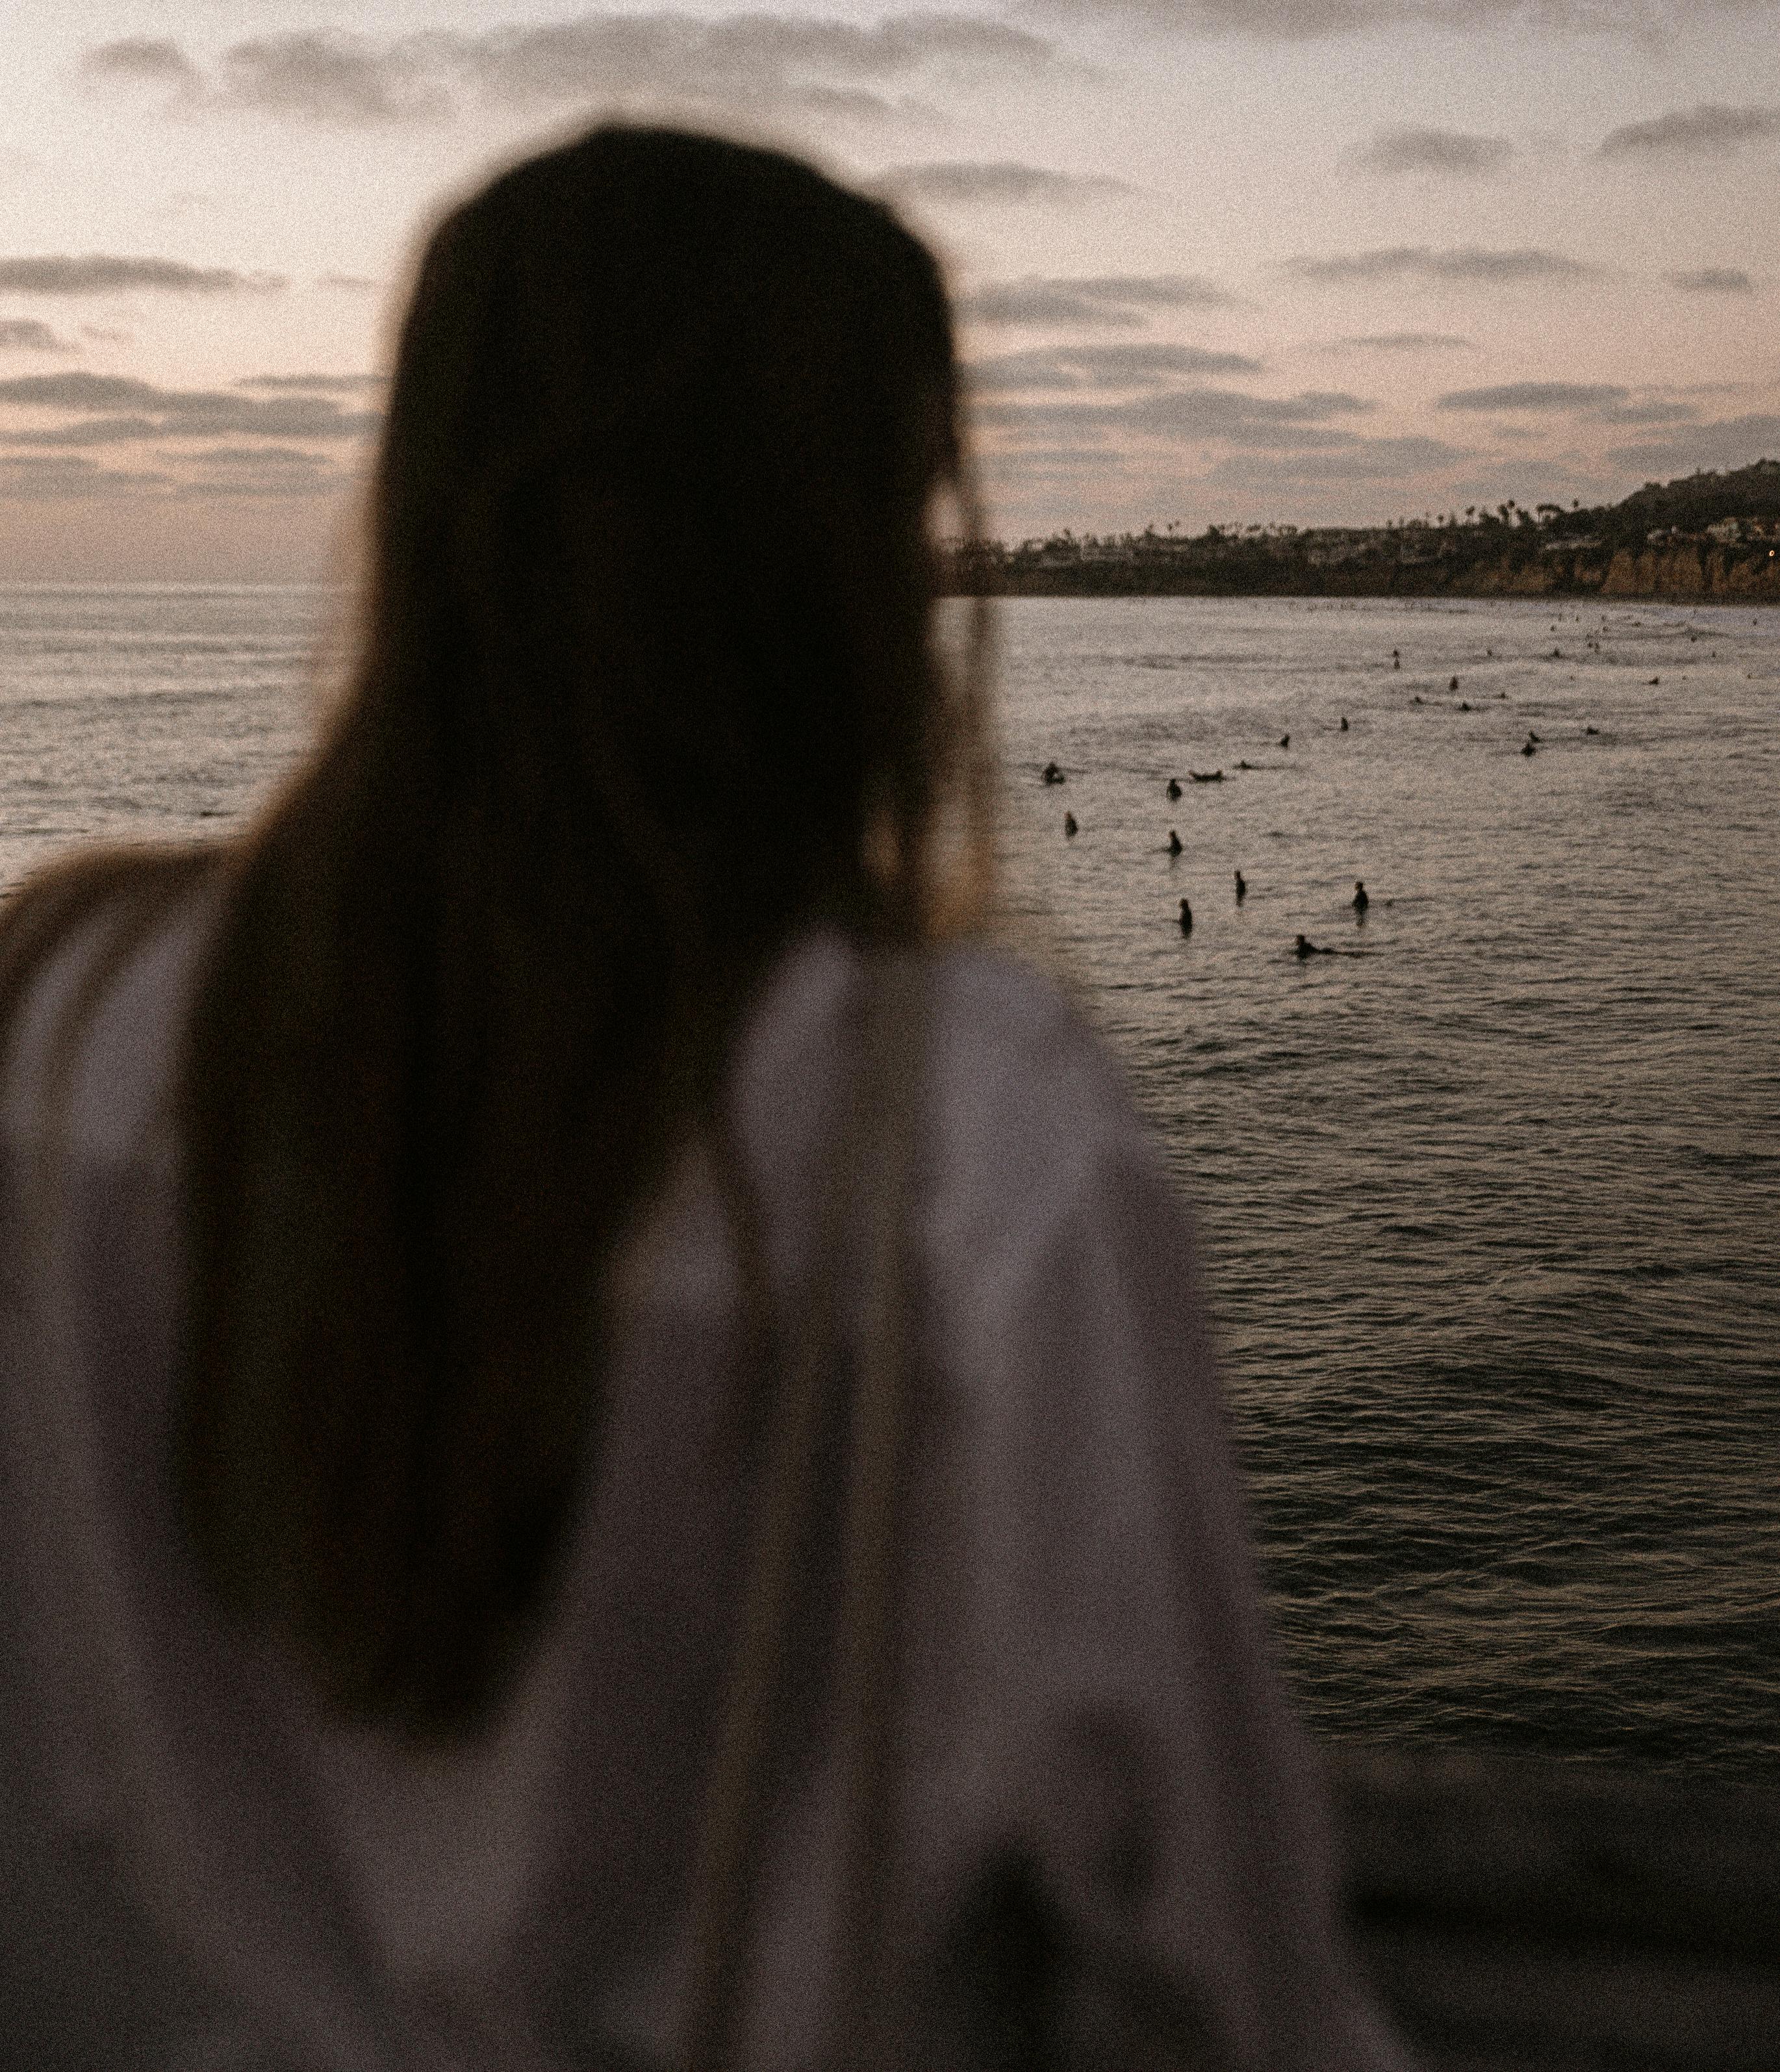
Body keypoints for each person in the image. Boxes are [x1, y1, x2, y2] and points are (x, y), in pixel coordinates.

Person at [0, 126, 1406, 2069]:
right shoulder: (959, 1143)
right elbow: (1210, 1958)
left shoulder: (53, 1023)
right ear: (840, 558)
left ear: (414, 496)